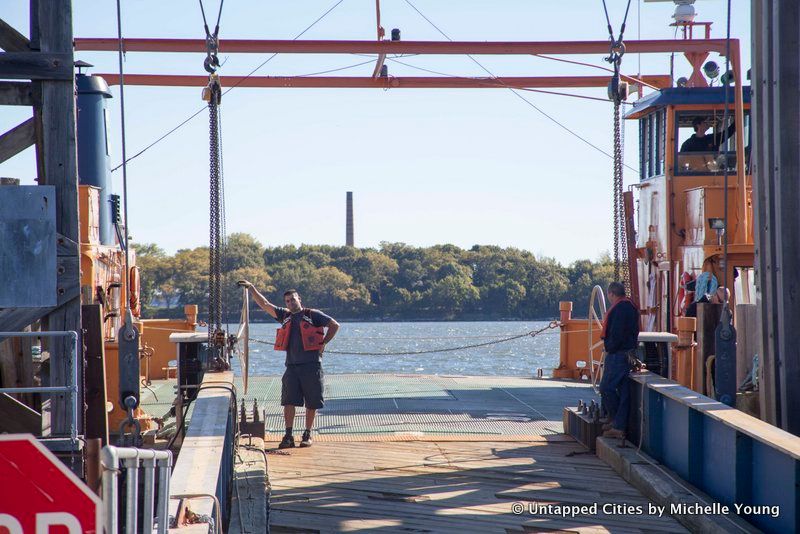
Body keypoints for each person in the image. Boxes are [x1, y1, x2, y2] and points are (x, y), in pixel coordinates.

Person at [239, 281, 340, 449]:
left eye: (293, 299)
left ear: (299, 299)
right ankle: (288, 434)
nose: (290, 303)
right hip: (292, 367)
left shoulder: (312, 314)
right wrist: (251, 288)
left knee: (312, 402)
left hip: (311, 366)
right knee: (288, 401)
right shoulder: (285, 316)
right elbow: (265, 304)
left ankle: (307, 434)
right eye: (287, 301)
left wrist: (324, 342)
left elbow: (334, 325)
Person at [599, 281, 640, 439]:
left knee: (606, 388)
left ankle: (616, 421)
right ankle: (618, 426)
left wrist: (609, 347)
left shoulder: (619, 309)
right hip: (628, 353)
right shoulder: (630, 306)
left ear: (611, 294)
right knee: (623, 392)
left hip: (618, 355)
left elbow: (616, 334)